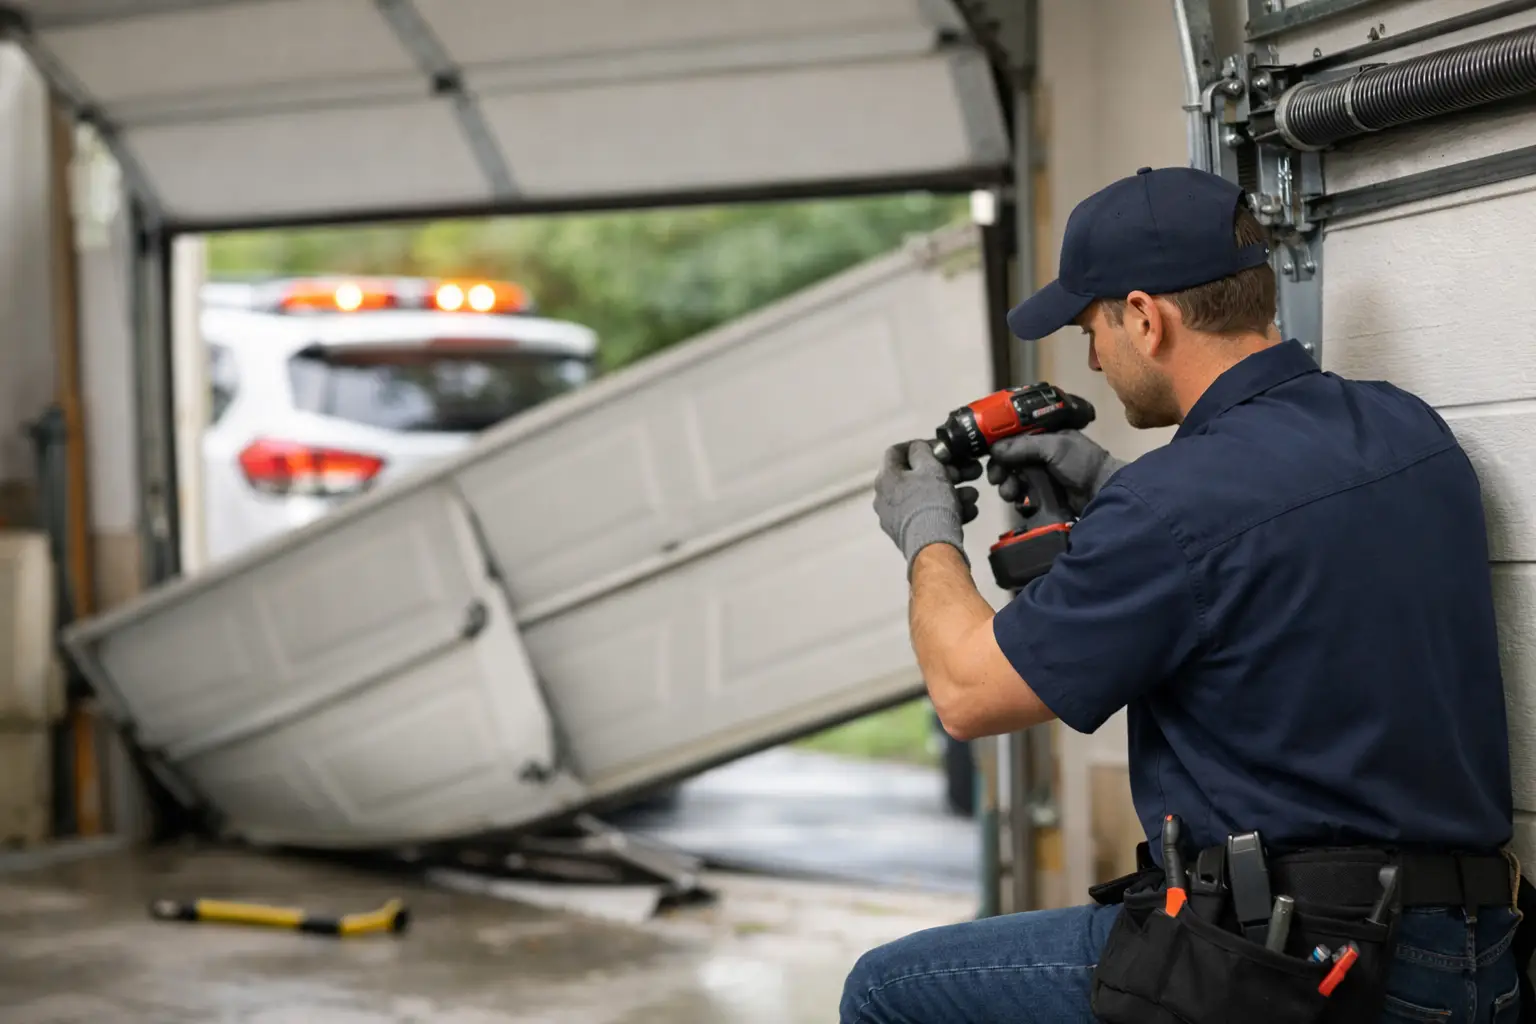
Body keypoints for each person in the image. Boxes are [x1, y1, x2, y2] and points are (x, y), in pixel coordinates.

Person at [854, 166, 1526, 1023]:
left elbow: (966, 691)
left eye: (1093, 325)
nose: (1093, 356)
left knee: (884, 992)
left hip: (1291, 969)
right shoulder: (1406, 428)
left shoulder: (1171, 507)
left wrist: (926, 532)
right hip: (1471, 956)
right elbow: (1264, 553)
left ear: (1144, 316)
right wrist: (1112, 488)